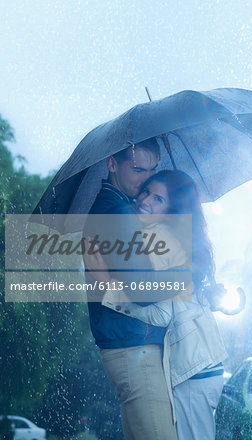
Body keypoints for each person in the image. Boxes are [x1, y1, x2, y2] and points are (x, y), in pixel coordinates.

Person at [85, 170, 228, 440]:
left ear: (171, 210)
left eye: (158, 199)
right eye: (146, 191)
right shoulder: (174, 239)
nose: (145, 200)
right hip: (200, 364)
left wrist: (108, 286)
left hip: (190, 369)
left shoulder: (160, 240)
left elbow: (162, 313)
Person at [83, 139, 178, 440]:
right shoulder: (119, 212)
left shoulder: (108, 206)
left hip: (126, 346)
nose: (146, 179)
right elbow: (143, 291)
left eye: (153, 170)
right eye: (137, 169)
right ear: (112, 164)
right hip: (136, 348)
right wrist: (184, 276)